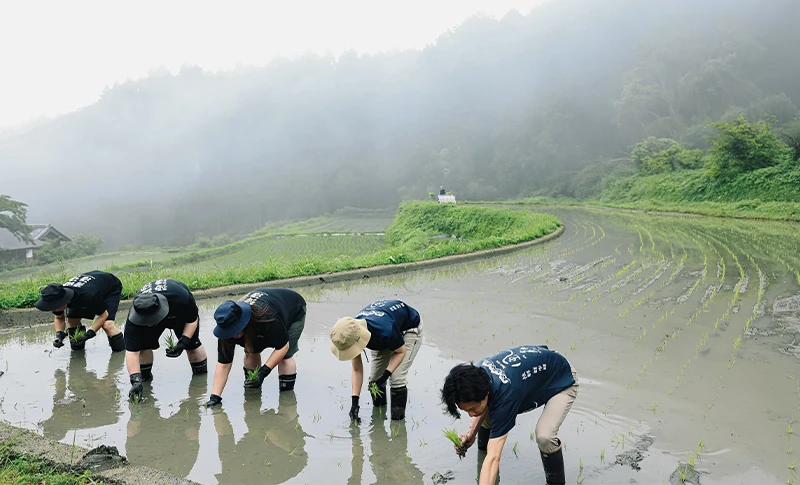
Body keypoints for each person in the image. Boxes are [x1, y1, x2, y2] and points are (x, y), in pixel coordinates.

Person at [440, 345, 579, 485]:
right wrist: (471, 433)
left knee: (545, 436)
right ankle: (483, 458)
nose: (471, 415)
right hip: (535, 369)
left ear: (485, 393)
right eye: (466, 411)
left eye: (473, 408)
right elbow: (481, 406)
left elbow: (494, 457)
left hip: (561, 378)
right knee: (486, 415)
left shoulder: (506, 395)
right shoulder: (475, 377)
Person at [206, 288, 306, 407]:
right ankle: (253, 392)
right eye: (228, 332)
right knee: (251, 352)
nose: (232, 335)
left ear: (243, 322)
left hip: (293, 309)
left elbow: (283, 347)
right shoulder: (226, 326)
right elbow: (223, 364)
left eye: (234, 331)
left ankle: (287, 400)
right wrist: (215, 397)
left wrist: (263, 372)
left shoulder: (267, 317)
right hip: (259, 319)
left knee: (286, 356)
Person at [330, 299, 423, 423]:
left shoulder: (384, 331)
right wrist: (354, 402)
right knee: (374, 380)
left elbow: (400, 351)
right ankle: (379, 417)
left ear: (358, 339)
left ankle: (397, 424)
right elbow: (357, 369)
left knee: (396, 377)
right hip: (385, 332)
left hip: (409, 328)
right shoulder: (349, 333)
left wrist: (386, 375)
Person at [123, 278, 207, 402]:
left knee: (192, 346)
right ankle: (144, 380)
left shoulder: (180, 298)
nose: (149, 325)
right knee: (144, 347)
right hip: (153, 312)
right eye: (145, 322)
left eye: (151, 321)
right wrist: (135, 381)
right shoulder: (134, 318)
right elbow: (132, 352)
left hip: (178, 314)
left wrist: (183, 342)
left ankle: (200, 380)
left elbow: (192, 320)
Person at [34, 270, 124, 352]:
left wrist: (90, 333)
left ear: (64, 301)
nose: (54, 310)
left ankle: (121, 353)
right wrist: (59, 335)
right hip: (89, 286)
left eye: (56, 307)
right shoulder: (57, 296)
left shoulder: (87, 295)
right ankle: (78, 350)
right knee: (72, 321)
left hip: (110, 286)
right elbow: (59, 317)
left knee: (107, 324)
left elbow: (104, 315)